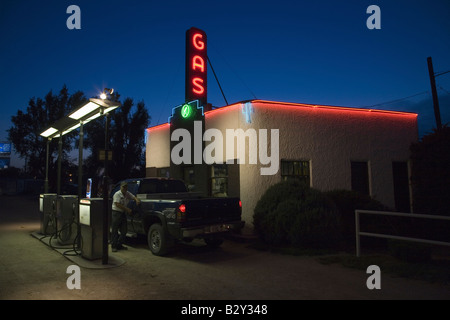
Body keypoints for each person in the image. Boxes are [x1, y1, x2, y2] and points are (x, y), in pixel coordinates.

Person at [111, 181, 140, 252]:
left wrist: (136, 200)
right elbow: (117, 204)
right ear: (120, 187)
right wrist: (127, 209)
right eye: (123, 187)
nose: (124, 188)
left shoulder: (127, 193)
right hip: (116, 213)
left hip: (122, 213)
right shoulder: (117, 194)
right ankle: (114, 246)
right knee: (115, 230)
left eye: (126, 187)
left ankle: (119, 244)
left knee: (124, 230)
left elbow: (133, 197)